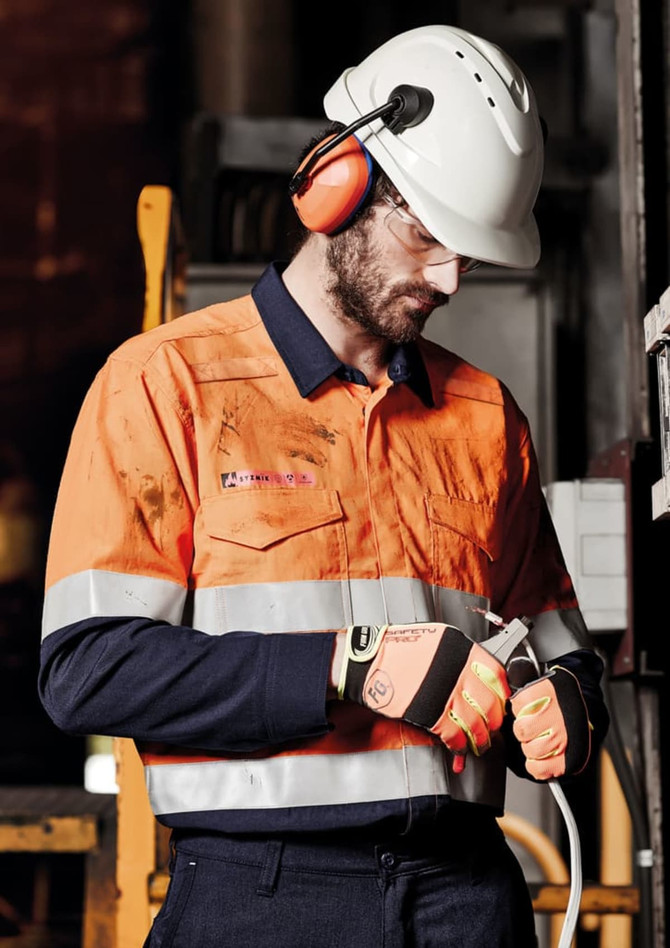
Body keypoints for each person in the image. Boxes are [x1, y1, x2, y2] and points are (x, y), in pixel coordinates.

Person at [39, 24, 609, 948]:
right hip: (258, 897)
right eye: (427, 237)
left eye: (470, 254)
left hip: (469, 896)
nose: (450, 279)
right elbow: (88, 671)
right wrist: (349, 668)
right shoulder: (163, 385)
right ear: (336, 185)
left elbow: (555, 643)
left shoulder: (485, 415)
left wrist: (568, 707)